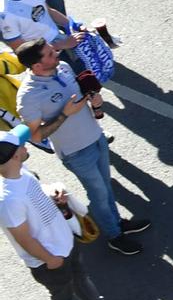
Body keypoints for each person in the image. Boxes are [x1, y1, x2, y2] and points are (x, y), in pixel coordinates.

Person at [0, 128, 140, 300]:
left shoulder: (22, 173)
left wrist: (55, 196)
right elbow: (23, 237)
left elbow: (37, 200)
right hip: (50, 260)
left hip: (64, 244)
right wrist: (50, 259)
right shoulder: (8, 200)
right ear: (15, 155)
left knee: (81, 278)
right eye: (21, 145)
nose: (26, 146)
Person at [16, 37, 143, 253]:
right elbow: (36, 136)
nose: (56, 53)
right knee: (99, 194)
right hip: (76, 152)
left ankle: (117, 222)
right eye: (49, 53)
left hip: (96, 136)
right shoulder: (28, 97)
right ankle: (114, 235)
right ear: (37, 65)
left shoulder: (63, 67)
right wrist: (65, 115)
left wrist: (95, 101)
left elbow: (81, 97)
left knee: (106, 186)